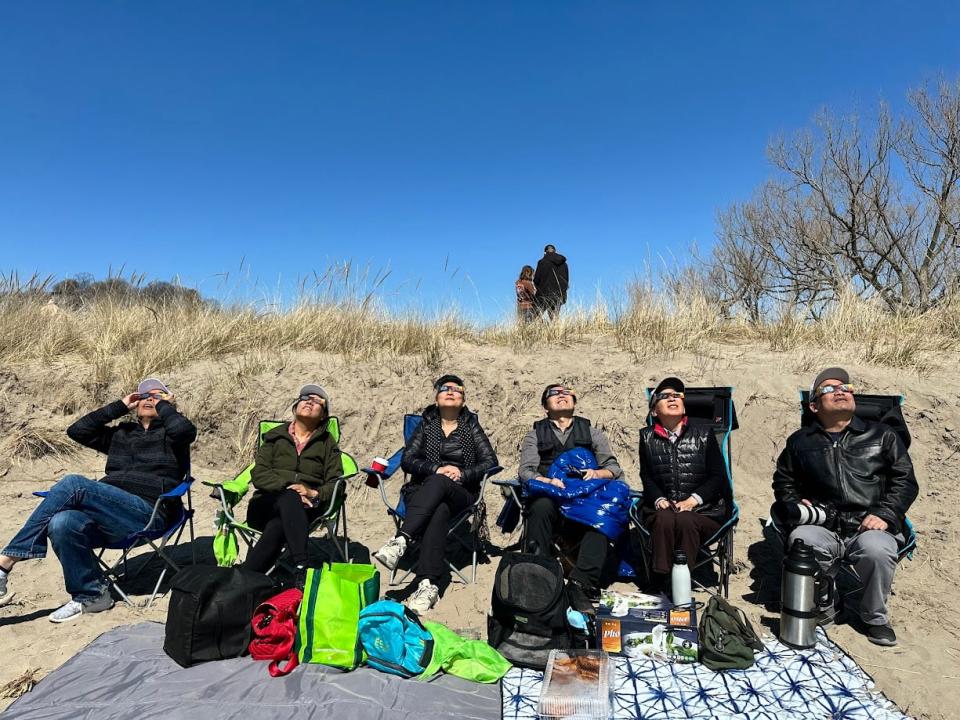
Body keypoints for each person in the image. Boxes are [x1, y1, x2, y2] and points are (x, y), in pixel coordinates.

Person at [0, 378, 196, 623]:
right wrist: (120, 405)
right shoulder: (121, 435)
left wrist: (165, 406)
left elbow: (185, 431)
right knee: (62, 521)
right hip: (111, 515)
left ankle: (5, 562)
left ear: (169, 401)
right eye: (144, 395)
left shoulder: (172, 435)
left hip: (149, 511)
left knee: (73, 483)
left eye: (156, 395)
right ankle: (92, 595)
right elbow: (77, 431)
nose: (149, 399)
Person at [772, 367, 919, 647]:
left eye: (845, 387)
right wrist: (794, 502)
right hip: (824, 524)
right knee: (801, 540)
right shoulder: (800, 443)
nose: (840, 390)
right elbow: (783, 482)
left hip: (871, 525)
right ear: (814, 406)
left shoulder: (883, 435)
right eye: (829, 388)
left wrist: (884, 514)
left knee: (877, 549)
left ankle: (875, 618)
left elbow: (905, 481)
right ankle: (828, 602)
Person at [373, 374, 498, 614]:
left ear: (463, 400)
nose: (450, 391)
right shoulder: (426, 424)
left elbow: (490, 461)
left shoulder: (471, 425)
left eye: (457, 389)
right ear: (436, 397)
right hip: (420, 492)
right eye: (444, 388)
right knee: (439, 509)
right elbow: (408, 460)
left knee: (441, 486)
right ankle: (428, 585)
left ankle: (402, 539)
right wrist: (436, 469)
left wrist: (461, 473)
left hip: (461, 492)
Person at [517, 383, 624, 610]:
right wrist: (548, 481)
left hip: (584, 498)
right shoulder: (535, 434)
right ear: (545, 406)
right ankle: (540, 575)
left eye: (567, 393)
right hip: (552, 495)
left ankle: (581, 583)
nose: (562, 396)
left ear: (574, 403)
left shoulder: (592, 432)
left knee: (601, 516)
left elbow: (613, 468)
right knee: (541, 506)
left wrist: (596, 473)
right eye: (554, 393)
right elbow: (526, 471)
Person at [240, 384, 343, 582]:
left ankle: (245, 579)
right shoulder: (274, 437)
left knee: (279, 526)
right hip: (265, 505)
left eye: (317, 401)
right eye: (305, 398)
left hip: (305, 511)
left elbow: (336, 482)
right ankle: (302, 563)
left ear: (323, 415)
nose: (310, 402)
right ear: (295, 407)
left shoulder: (327, 443)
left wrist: (313, 493)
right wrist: (292, 487)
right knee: (289, 496)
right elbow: (259, 474)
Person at [637, 377, 729, 592]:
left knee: (686, 519)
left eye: (677, 395)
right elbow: (647, 476)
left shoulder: (704, 434)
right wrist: (659, 499)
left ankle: (681, 582)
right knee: (664, 518)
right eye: (664, 396)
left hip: (705, 511)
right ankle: (660, 581)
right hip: (664, 510)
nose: (672, 398)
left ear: (684, 406)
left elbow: (718, 477)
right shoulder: (646, 437)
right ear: (653, 410)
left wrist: (693, 500)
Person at [533, 245, 569, 320]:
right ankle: (556, 331)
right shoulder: (564, 264)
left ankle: (535, 330)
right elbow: (566, 280)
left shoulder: (542, 262)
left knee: (537, 316)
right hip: (559, 294)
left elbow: (536, 279)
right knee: (555, 317)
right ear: (555, 251)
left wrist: (538, 289)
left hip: (544, 294)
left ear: (544, 253)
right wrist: (563, 291)